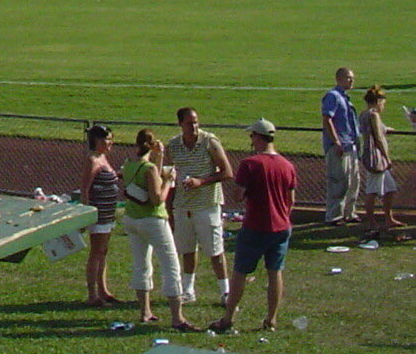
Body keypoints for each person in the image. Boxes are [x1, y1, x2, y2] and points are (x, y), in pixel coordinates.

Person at [211, 119, 298, 334]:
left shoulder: (250, 164)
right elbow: (291, 200)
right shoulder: (287, 165)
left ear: (258, 137)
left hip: (256, 226)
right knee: (275, 273)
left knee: (240, 272)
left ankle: (228, 318)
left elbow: (238, 195)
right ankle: (271, 319)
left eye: (252, 136)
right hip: (281, 226)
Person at [121, 129, 195, 331]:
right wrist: (169, 181)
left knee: (141, 265)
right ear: (152, 145)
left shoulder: (129, 164)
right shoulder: (149, 169)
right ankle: (177, 317)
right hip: (153, 220)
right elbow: (157, 198)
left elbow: (151, 179)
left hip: (132, 218)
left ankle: (145, 311)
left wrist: (159, 158)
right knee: (171, 266)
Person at [168, 107, 233, 305]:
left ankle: (225, 292)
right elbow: (169, 176)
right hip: (183, 206)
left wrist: (201, 181)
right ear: (180, 124)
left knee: (215, 250)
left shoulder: (209, 142)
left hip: (207, 205)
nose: (194, 127)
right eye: (189, 123)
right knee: (187, 249)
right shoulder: (173, 145)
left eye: (196, 122)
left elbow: (227, 172)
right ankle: (188, 290)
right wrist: (169, 207)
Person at [78, 124, 119, 306]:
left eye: (110, 139)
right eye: (106, 140)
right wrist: (86, 215)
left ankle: (103, 290)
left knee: (103, 252)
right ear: (96, 140)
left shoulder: (103, 158)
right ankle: (92, 294)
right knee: (96, 252)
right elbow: (85, 189)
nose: (109, 143)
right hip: (99, 214)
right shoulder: (93, 160)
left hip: (108, 213)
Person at [359, 85, 401, 238]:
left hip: (371, 154)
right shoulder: (373, 115)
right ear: (377, 102)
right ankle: (371, 222)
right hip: (376, 157)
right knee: (373, 190)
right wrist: (387, 157)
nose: (383, 106)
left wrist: (386, 129)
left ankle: (388, 218)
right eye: (382, 103)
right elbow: (378, 138)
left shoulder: (364, 114)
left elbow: (377, 130)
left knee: (390, 188)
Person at [321, 66, 360, 225]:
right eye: (348, 77)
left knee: (353, 181)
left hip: (350, 145)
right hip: (339, 146)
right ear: (339, 79)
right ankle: (334, 216)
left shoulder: (345, 97)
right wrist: (336, 141)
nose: (352, 80)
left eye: (352, 77)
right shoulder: (333, 96)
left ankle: (349, 213)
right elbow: (327, 119)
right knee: (339, 181)